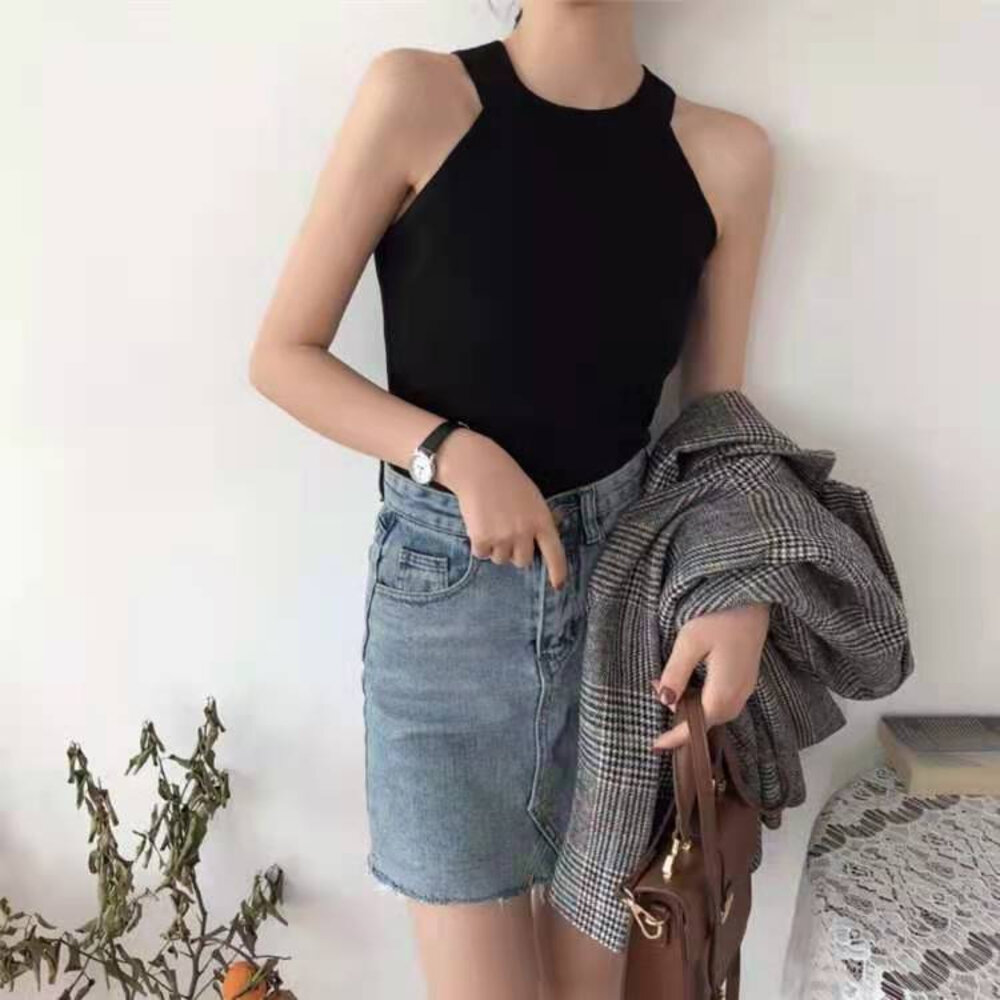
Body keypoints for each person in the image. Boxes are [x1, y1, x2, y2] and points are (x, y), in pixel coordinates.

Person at [248, 2, 774, 997]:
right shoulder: (417, 97)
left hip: (628, 619)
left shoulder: (726, 156)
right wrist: (445, 451)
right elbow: (282, 354)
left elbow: (713, 428)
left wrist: (733, 590)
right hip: (448, 610)